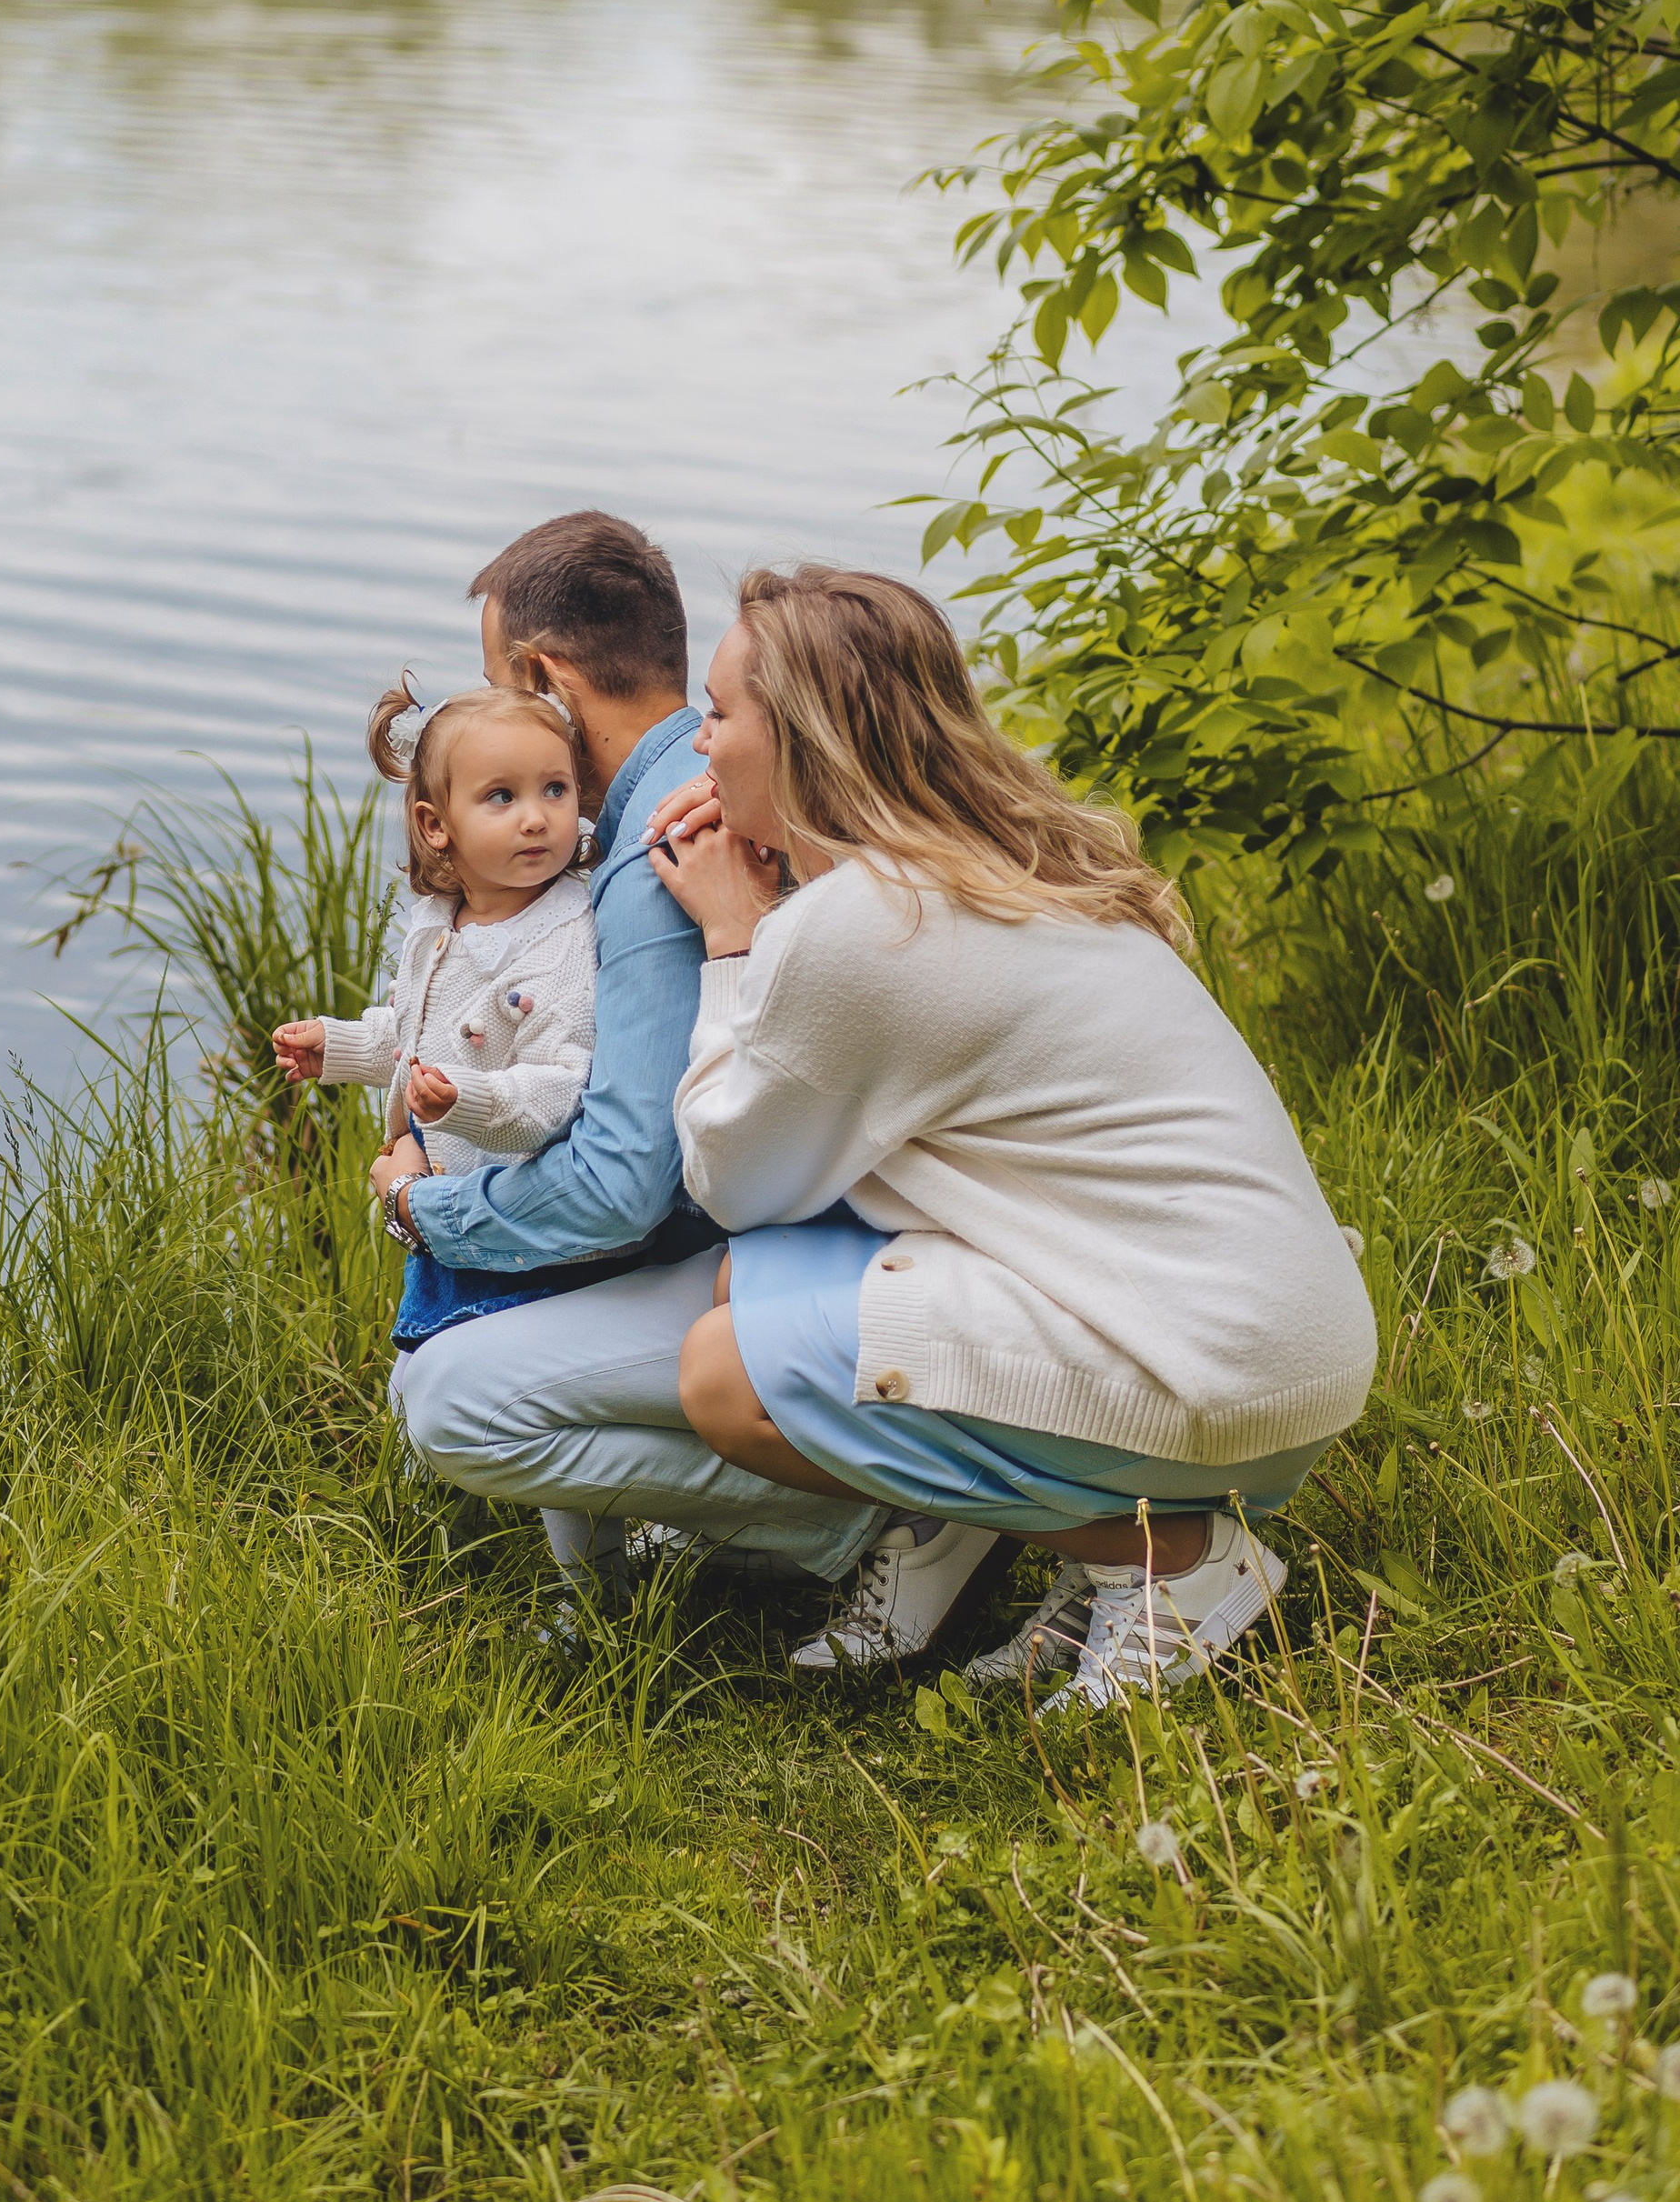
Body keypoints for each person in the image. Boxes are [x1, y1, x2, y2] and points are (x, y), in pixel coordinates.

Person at [646, 566, 1378, 1710]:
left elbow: (731, 1176)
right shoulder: (1000, 866)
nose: (700, 744)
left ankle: (1170, 1562)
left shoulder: (859, 927)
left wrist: (733, 942)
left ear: (799, 738)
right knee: (764, 1280)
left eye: (719, 712)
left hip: (1210, 1387)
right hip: (1288, 1355)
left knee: (726, 1377)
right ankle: (1029, 1535)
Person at [391, 515, 885, 1604]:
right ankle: (721, 1515)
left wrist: (423, 1213)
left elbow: (622, 1184)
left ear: (543, 679)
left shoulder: (654, 849)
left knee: (441, 1400)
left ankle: (839, 1516)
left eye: (498, 683)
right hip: (811, 1222)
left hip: (803, 1249)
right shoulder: (687, 801)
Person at [272, 675, 596, 1356]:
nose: (535, 817)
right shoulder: (442, 924)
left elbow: (561, 1088)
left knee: (472, 1358)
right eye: (501, 797)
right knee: (424, 1354)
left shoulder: (564, 943)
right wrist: (339, 1047)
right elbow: (417, 1029)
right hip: (449, 1194)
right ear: (435, 825)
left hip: (513, 1224)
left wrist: (464, 1102)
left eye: (555, 790)